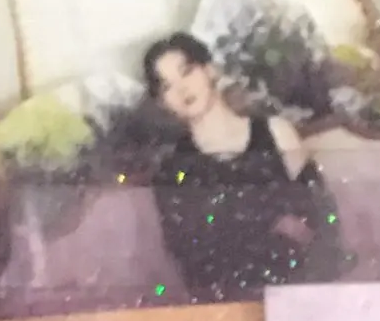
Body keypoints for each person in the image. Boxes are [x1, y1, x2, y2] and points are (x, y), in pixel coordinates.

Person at [145, 32, 346, 300]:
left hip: (297, 295)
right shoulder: (173, 171)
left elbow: (324, 220)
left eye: (187, 72)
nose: (182, 89)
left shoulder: (277, 133)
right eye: (167, 86)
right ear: (162, 102)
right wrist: (270, 224)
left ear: (210, 70)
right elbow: (193, 261)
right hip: (228, 306)